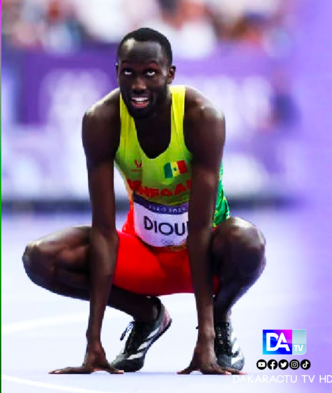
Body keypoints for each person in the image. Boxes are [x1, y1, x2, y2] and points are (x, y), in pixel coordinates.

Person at [22, 27, 266, 375]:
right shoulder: (101, 120)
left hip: (205, 254)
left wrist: (205, 336)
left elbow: (199, 231)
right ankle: (147, 315)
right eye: (128, 72)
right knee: (41, 258)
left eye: (150, 73)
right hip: (144, 255)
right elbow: (103, 231)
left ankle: (222, 316)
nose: (138, 85)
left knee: (248, 241)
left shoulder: (202, 117)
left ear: (170, 74)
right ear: (117, 71)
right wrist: (93, 341)